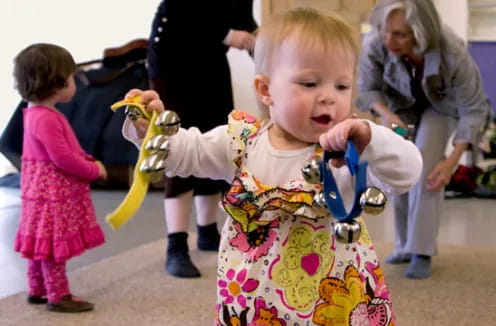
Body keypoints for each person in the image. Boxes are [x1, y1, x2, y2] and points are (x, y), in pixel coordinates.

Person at [122, 8, 422, 324]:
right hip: (254, 304)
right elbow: (182, 153)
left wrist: (371, 137)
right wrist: (149, 128)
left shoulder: (348, 149)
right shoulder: (241, 142)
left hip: (334, 305)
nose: (329, 98)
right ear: (266, 90)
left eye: (342, 86)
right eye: (309, 83)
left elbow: (407, 173)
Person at [356, 0, 491, 279]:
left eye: (401, 34)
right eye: (387, 32)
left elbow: (473, 109)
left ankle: (421, 249)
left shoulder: (451, 49)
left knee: (428, 162)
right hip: (397, 107)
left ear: (420, 33)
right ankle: (404, 245)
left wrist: (451, 162)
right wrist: (388, 115)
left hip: (441, 107)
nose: (389, 40)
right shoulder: (377, 41)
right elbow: (367, 89)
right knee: (398, 166)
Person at [147, 0, 257, 278]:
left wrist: (268, 52)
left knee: (216, 142)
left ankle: (207, 232)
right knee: (179, 147)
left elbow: (245, 22)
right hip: (174, 61)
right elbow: (180, 8)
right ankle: (177, 245)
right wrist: (226, 34)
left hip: (210, 61)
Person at [12, 43, 107, 312]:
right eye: (71, 78)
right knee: (53, 245)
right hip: (52, 195)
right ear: (55, 85)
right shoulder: (47, 119)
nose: (74, 83)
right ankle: (58, 294)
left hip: (39, 193)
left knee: (40, 241)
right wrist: (93, 170)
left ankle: (37, 288)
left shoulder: (34, 113)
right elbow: (63, 158)